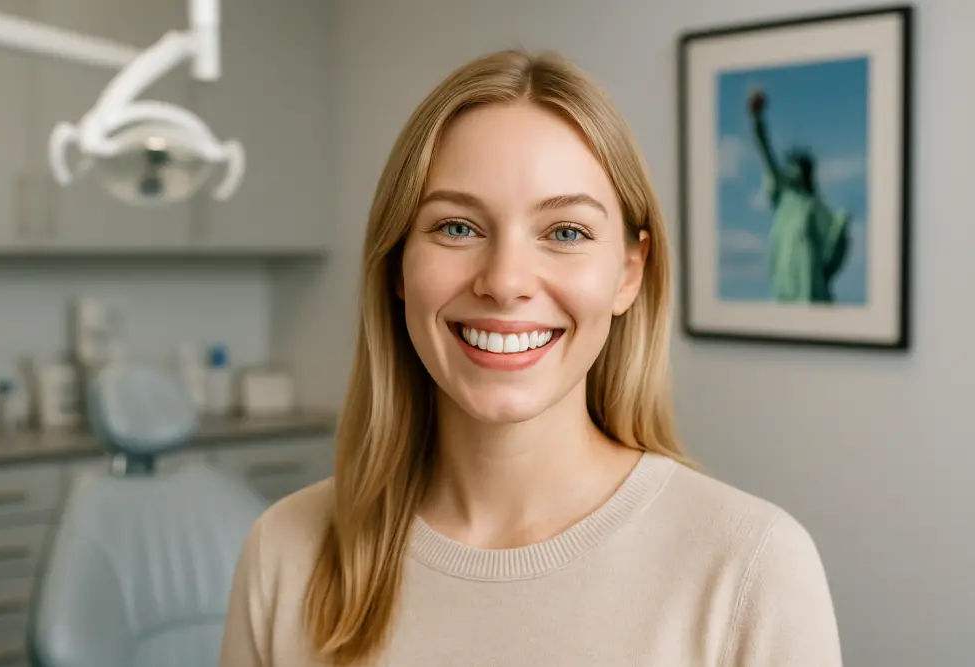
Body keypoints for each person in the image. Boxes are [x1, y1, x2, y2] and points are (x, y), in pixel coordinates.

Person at [219, 50, 843, 667]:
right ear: (398, 267)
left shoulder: (752, 567)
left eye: (565, 232)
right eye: (457, 227)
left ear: (628, 272)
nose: (506, 280)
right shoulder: (284, 550)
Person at [746, 89, 852, 303]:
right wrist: (758, 120)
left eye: (796, 168)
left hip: (807, 279)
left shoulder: (814, 206)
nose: (790, 172)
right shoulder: (784, 196)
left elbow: (831, 249)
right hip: (784, 273)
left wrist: (841, 227)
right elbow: (766, 153)